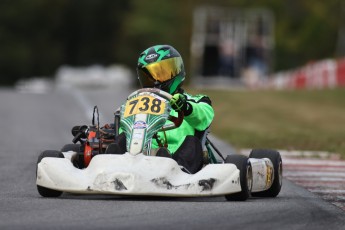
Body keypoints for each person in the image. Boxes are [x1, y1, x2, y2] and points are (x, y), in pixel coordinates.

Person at [110, 45, 215, 174]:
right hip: (137, 154)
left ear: (177, 71)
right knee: (121, 137)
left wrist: (185, 107)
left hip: (175, 156)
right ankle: (114, 163)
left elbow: (204, 117)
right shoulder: (137, 102)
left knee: (192, 143)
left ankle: (173, 170)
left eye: (162, 73)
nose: (156, 81)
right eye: (150, 76)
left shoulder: (194, 100)